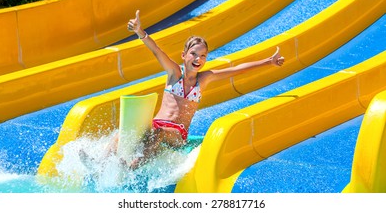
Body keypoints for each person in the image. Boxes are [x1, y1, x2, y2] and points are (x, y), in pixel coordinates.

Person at [104, 10, 285, 170]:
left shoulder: (204, 79)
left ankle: (132, 167)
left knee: (158, 133)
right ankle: (99, 163)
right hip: (156, 124)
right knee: (124, 131)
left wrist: (268, 61)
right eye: (194, 54)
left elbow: (237, 70)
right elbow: (157, 51)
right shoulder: (174, 73)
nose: (198, 58)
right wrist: (139, 32)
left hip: (177, 133)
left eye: (203, 56)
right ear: (184, 56)